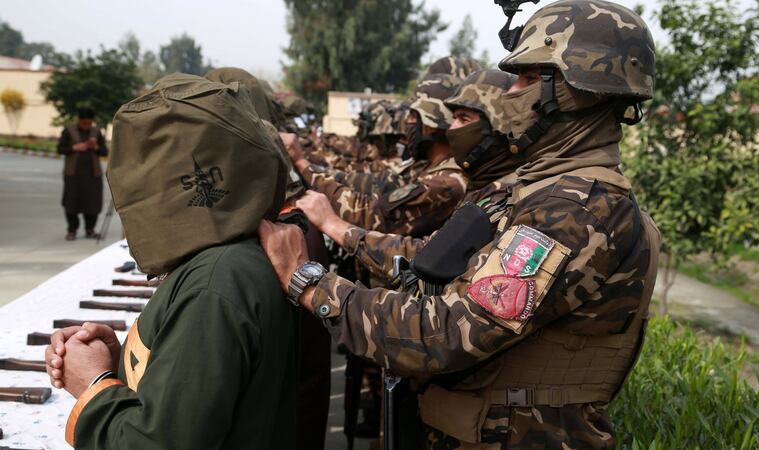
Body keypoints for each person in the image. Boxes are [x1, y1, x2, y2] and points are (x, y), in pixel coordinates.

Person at [259, 1, 660, 448]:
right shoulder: (531, 191)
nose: (510, 92)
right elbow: (429, 259)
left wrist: (311, 285)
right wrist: (341, 231)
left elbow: (446, 333)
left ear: (577, 90)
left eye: (528, 78)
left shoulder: (577, 212)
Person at [45, 73, 296, 450]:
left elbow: (155, 443)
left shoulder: (215, 283)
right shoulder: (233, 255)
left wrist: (94, 386)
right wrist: (124, 363)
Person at [286, 73, 468, 238]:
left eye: (413, 116)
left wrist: (302, 163)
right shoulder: (425, 166)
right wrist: (307, 165)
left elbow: (370, 214)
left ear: (432, 121)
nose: (406, 124)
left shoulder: (445, 184)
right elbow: (367, 181)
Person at [56, 107, 109, 240]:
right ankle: (72, 230)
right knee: (71, 203)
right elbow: (60, 148)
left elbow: (104, 151)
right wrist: (74, 148)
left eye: (89, 123)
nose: (87, 126)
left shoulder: (96, 132)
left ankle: (90, 229)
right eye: (84, 123)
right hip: (73, 174)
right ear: (79, 120)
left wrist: (95, 147)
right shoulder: (69, 130)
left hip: (93, 175)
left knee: (92, 203)